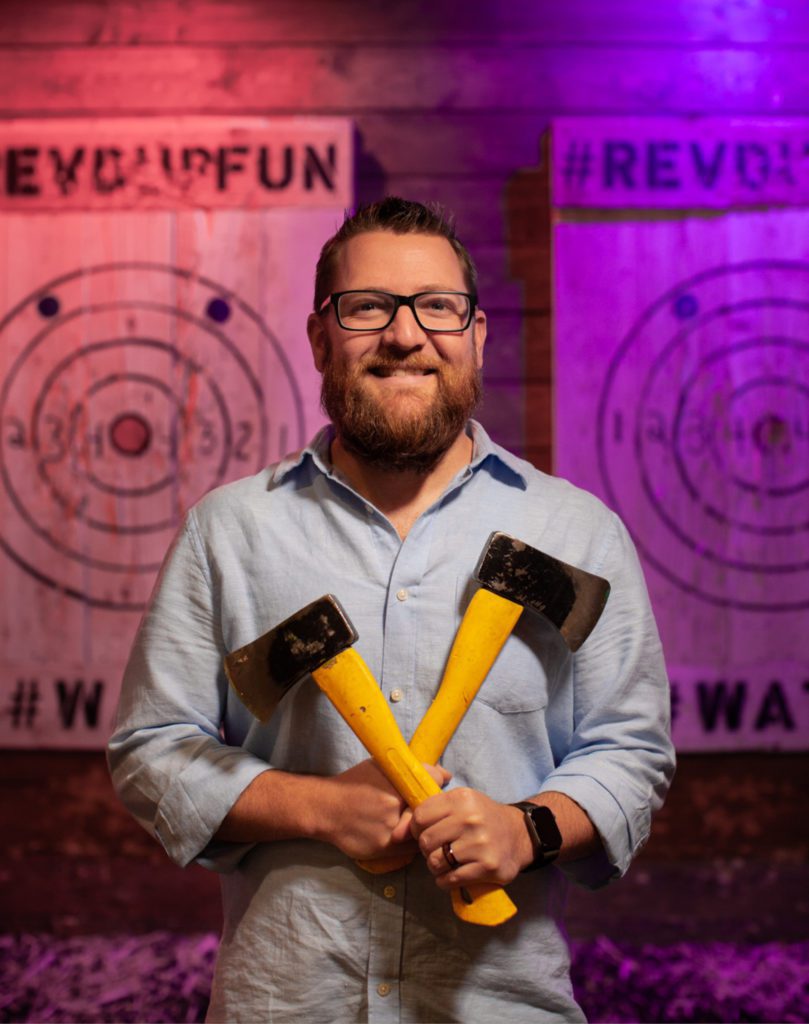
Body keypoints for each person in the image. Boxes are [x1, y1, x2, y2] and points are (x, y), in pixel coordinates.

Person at [108, 196, 675, 1022]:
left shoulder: (574, 531)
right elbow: (150, 752)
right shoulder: (230, 531)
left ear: (476, 334)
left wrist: (526, 831)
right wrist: (320, 807)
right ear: (319, 336)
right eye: (367, 306)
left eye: (437, 307)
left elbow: (630, 750)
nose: (404, 335)